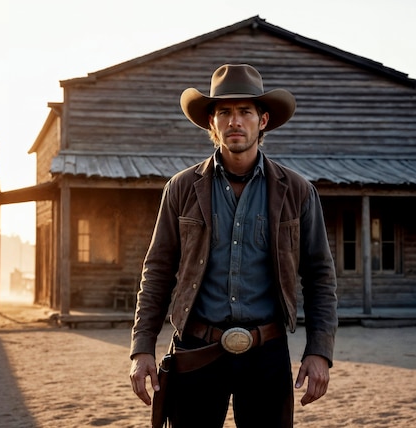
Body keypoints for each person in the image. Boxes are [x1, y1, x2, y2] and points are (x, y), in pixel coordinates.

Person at [129, 64, 338, 428]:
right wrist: (142, 347)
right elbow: (158, 269)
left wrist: (319, 350)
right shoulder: (181, 189)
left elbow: (320, 275)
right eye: (224, 112)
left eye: (245, 112)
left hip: (266, 352)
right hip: (196, 348)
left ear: (263, 120)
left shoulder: (298, 191)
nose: (234, 121)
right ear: (212, 122)